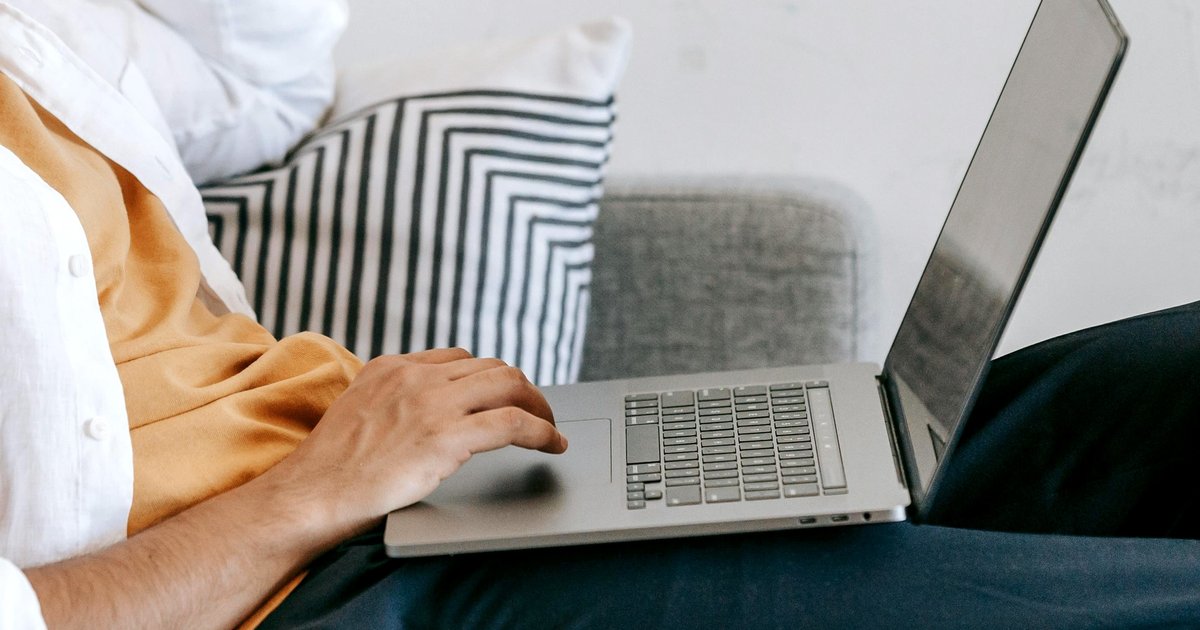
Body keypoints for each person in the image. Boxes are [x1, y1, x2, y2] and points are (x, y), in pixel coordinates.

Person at [1, 1, 1197, 628]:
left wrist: (354, 474)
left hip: (405, 501)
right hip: (291, 589)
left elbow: (259, 81)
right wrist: (312, 493)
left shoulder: (30, 42)